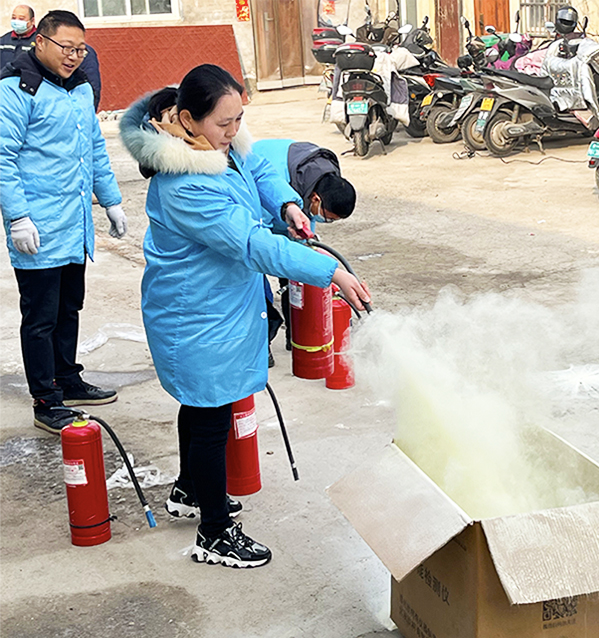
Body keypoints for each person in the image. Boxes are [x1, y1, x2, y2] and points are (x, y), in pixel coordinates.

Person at [119, 64, 370, 568]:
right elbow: (252, 245)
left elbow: (256, 169)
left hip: (219, 304)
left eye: (239, 120)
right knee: (212, 416)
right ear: (187, 119)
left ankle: (190, 490)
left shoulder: (217, 143)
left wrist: (286, 204)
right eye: (224, 124)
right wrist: (329, 271)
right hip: (195, 313)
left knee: (202, 406)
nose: (234, 133)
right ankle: (214, 533)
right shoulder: (185, 184)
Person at [0, 10, 127, 434]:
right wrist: (17, 217)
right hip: (37, 226)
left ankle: (67, 378)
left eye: (80, 49)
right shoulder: (17, 89)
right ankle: (45, 399)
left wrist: (110, 201)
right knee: (40, 317)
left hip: (74, 225)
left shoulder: (78, 89)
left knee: (69, 306)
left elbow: (93, 149)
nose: (74, 56)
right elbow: (3, 159)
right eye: (66, 48)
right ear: (40, 41)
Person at [251, 138, 357, 363]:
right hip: (258, 207)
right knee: (255, 277)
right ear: (316, 199)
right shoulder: (272, 182)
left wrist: (313, 253)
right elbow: (262, 248)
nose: (325, 221)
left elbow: (303, 236)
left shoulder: (324, 179)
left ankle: (296, 334)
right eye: (328, 218)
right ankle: (261, 343)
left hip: (288, 199)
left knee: (297, 274)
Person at [0, 5, 36, 70]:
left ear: (32, 21)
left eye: (21, 19)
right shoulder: (3, 41)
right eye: (14, 18)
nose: (16, 21)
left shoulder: (40, 41)